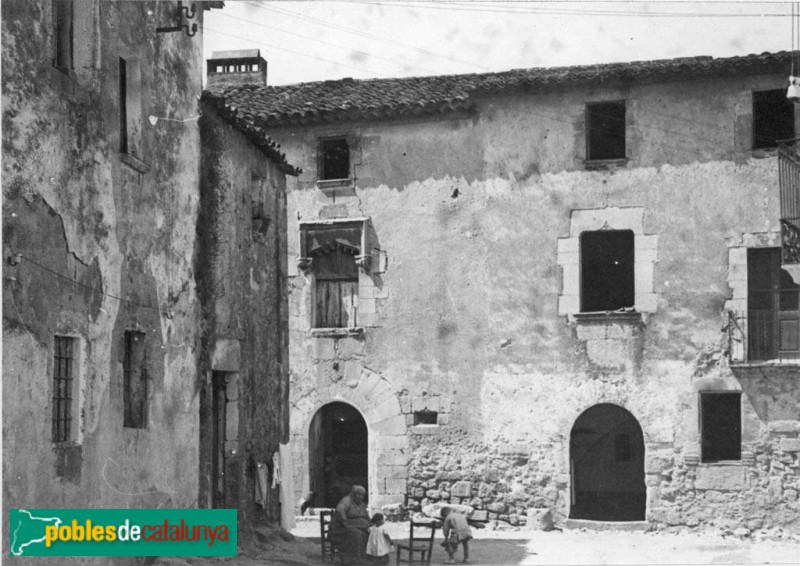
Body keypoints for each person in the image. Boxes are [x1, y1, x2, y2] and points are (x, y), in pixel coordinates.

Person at [330, 485, 371, 566]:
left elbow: (366, 516)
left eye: (362, 495)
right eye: (358, 494)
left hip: (355, 527)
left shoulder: (361, 504)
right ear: (352, 494)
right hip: (340, 529)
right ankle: (352, 559)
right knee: (355, 534)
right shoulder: (346, 501)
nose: (360, 497)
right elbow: (340, 511)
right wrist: (346, 523)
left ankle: (364, 557)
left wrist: (371, 524)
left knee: (368, 533)